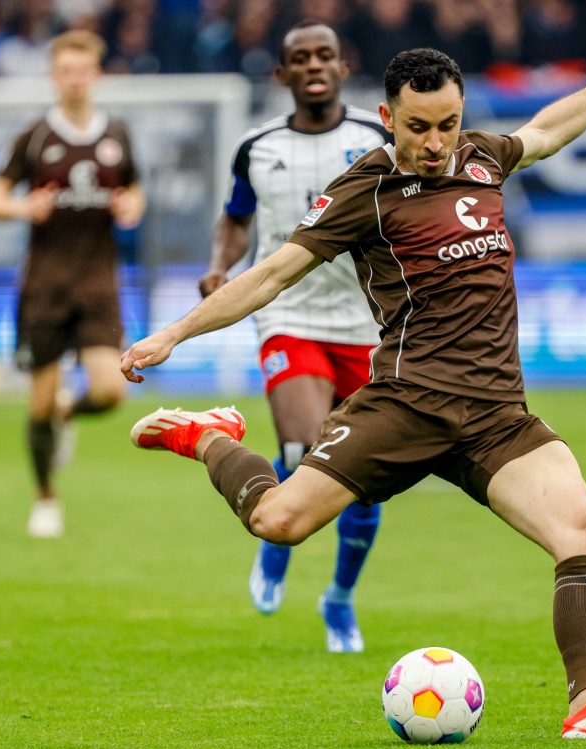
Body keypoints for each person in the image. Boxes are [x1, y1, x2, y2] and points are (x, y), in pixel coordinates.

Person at [121, 46, 586, 739]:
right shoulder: (365, 192)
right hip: (406, 405)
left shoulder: (483, 157)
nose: (435, 143)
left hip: (497, 414)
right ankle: (205, 435)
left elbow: (550, 129)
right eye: (418, 127)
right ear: (388, 117)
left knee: (581, 532)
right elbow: (270, 277)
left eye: (447, 123)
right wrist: (173, 333)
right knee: (279, 523)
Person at [199, 20, 389, 653]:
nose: (313, 65)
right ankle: (277, 542)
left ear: (342, 66)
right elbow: (235, 219)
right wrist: (222, 266)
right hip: (289, 315)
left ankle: (339, 598)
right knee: (308, 447)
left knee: (362, 473)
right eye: (300, 57)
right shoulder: (257, 146)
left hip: (369, 322)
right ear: (282, 74)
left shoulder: (375, 138)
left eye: (325, 55)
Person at [0, 29, 145, 538]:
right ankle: (46, 498)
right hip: (45, 287)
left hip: (97, 284)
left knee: (111, 393)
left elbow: (134, 189)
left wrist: (131, 206)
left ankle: (69, 415)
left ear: (96, 74)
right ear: (55, 76)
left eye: (82, 70)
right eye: (65, 71)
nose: (74, 80)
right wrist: (22, 206)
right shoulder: (34, 137)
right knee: (39, 403)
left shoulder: (116, 133)